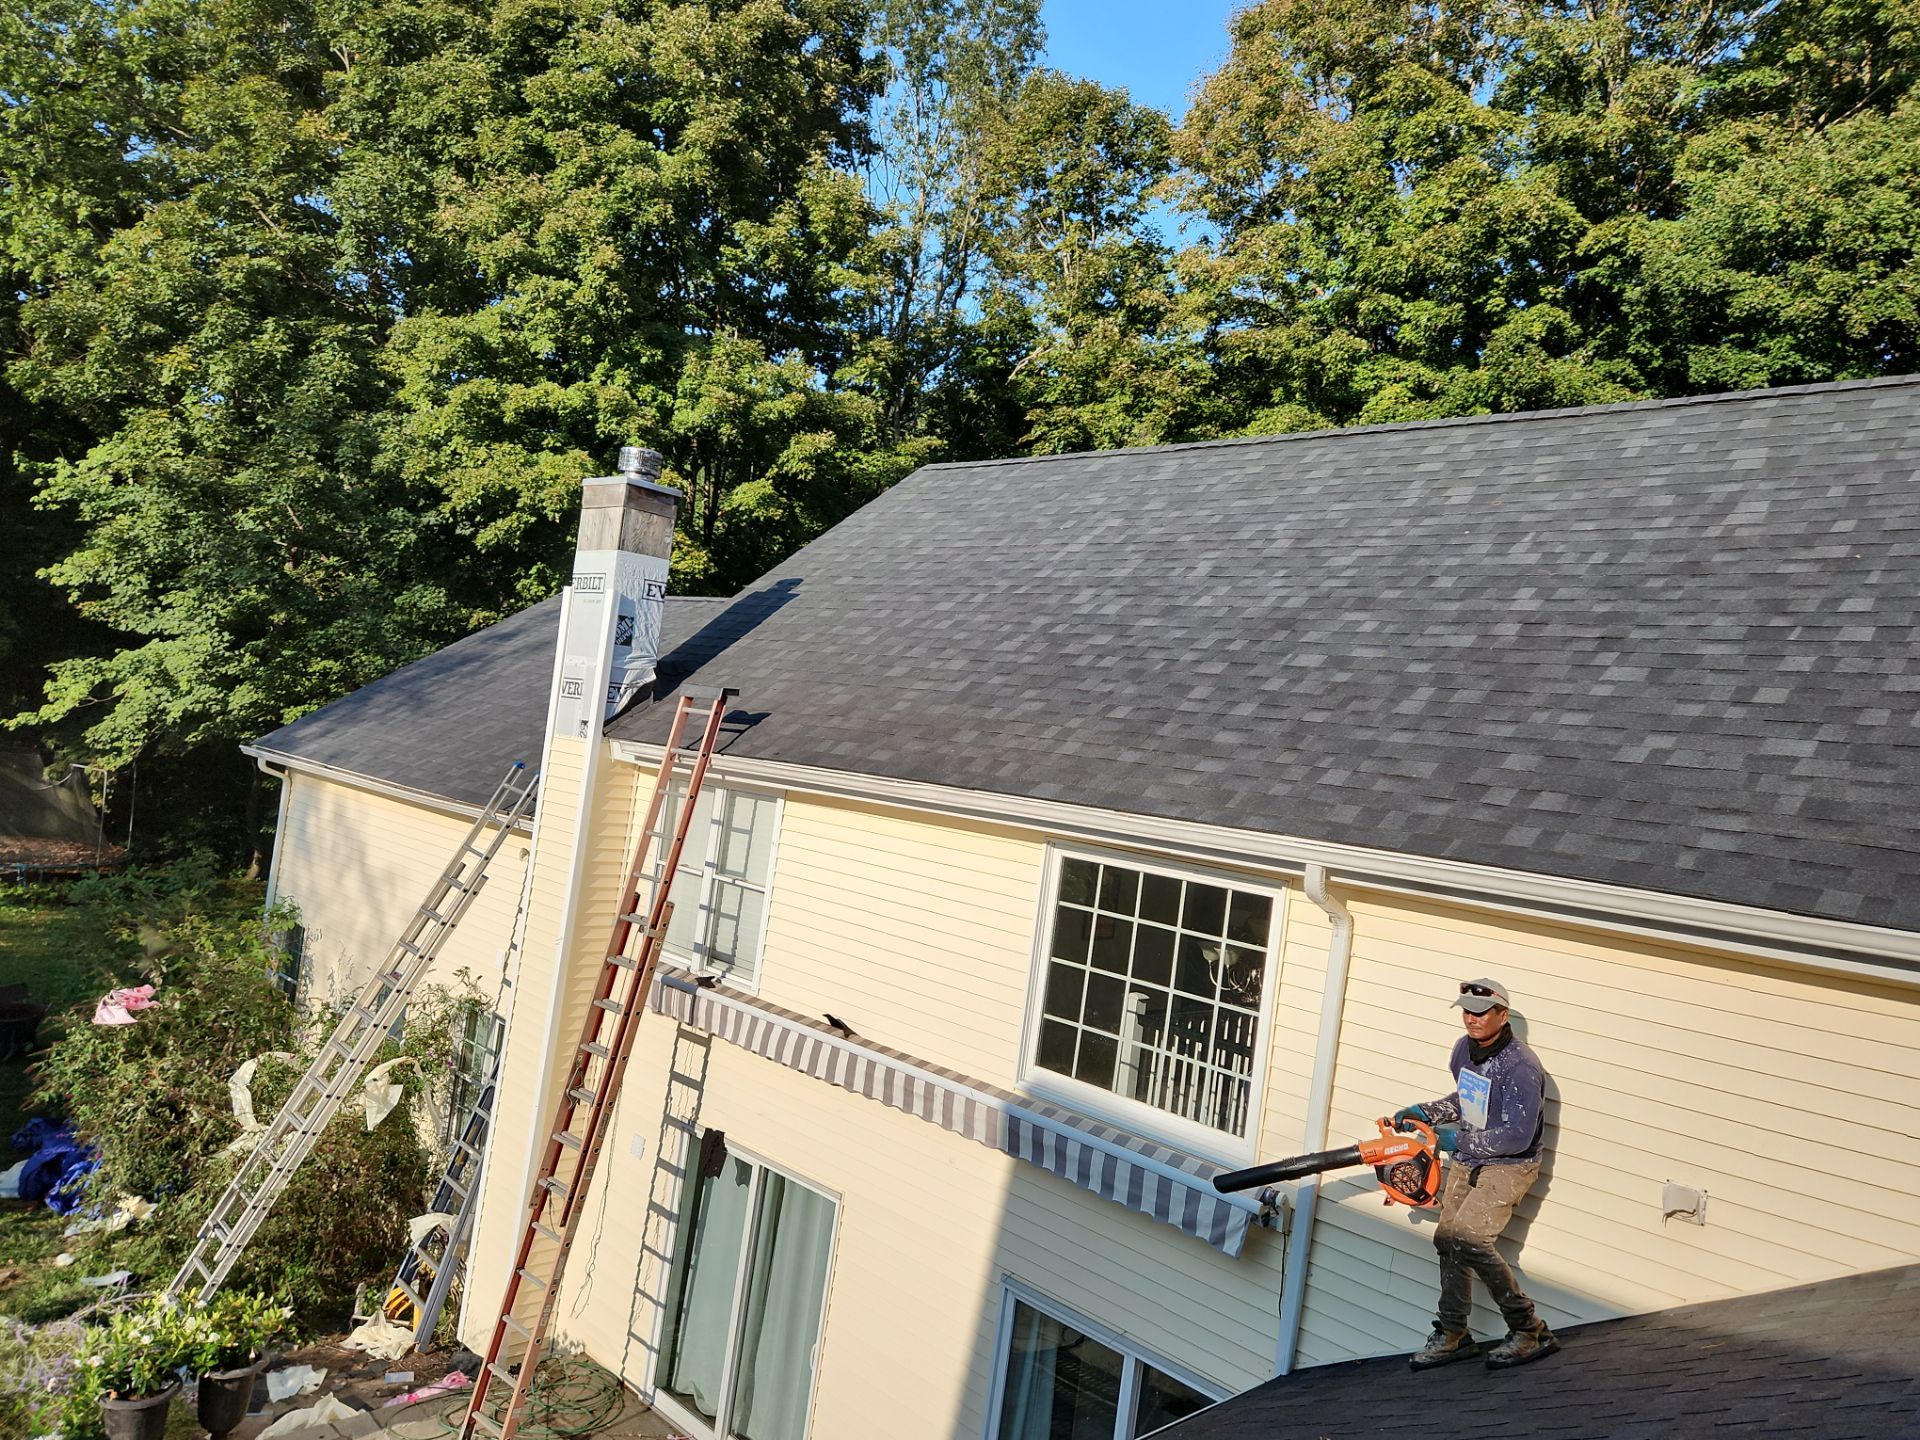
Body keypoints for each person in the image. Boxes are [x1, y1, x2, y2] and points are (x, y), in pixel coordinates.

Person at [1387, 977, 1558, 1371]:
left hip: (1511, 1165)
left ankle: (1529, 1329)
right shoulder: (1464, 1050)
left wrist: (1457, 1142)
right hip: (1469, 1155)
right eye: (1466, 1010)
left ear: (1502, 1014)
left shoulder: (1521, 1066)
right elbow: (1466, 1100)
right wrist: (1427, 1111)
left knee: (1470, 1239)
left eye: (1481, 1012)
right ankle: (1453, 1334)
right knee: (1447, 1239)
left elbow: (1518, 1135)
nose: (1472, 1018)